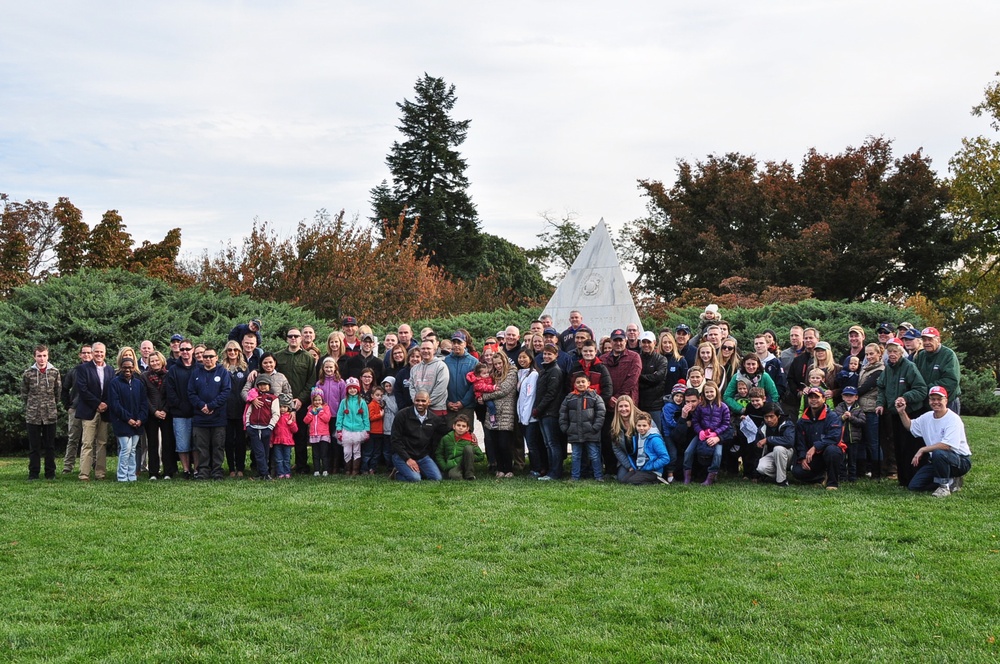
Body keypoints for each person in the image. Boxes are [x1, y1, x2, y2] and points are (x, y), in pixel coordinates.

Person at [899, 386, 971, 497]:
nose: (936, 402)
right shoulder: (927, 417)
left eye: (939, 399)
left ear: (946, 400)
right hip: (937, 461)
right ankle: (952, 481)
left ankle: (944, 487)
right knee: (914, 486)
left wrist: (923, 449)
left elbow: (947, 445)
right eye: (933, 399)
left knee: (938, 452)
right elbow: (910, 426)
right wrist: (902, 412)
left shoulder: (953, 419)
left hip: (960, 460)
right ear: (929, 401)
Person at [876, 337, 927, 486]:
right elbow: (881, 387)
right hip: (894, 414)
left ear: (901, 352)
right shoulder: (888, 368)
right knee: (897, 445)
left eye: (895, 351)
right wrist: (880, 404)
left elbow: (921, 389)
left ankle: (913, 477)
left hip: (911, 413)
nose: (892, 354)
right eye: (889, 351)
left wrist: (905, 398)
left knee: (909, 446)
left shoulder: (909, 367)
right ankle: (902, 479)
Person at [274, 327, 317, 474]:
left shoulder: (308, 358)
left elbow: (312, 381)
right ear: (287, 338)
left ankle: (301, 466)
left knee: (300, 435)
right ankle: (279, 466)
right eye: (290, 336)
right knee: (279, 435)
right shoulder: (278, 357)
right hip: (281, 405)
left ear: (300, 338)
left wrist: (300, 399)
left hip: (301, 403)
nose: (293, 338)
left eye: (296, 336)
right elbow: (273, 377)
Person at [189, 346, 231, 480]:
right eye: (205, 357)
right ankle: (203, 471)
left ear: (216, 358)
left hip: (218, 416)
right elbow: (191, 393)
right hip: (200, 417)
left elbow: (226, 391)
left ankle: (217, 471)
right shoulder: (196, 373)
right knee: (201, 446)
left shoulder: (223, 372)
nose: (208, 359)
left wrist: (212, 405)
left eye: (211, 356)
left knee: (218, 445)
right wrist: (202, 405)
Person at [791, 387, 845, 489]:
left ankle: (832, 483)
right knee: (797, 472)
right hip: (813, 456)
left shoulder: (832, 416)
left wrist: (815, 447)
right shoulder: (802, 420)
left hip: (829, 453)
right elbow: (799, 442)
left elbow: (834, 437)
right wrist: (802, 458)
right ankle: (820, 478)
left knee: (832, 450)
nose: (813, 400)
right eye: (811, 397)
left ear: (824, 399)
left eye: (817, 397)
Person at [390, 390, 450, 482]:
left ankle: (412, 471)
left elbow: (446, 430)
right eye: (417, 400)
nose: (420, 403)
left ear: (429, 402)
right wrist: (408, 459)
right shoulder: (402, 415)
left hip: (422, 456)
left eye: (423, 401)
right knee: (415, 479)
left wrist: (469, 433)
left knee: (437, 478)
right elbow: (395, 440)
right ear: (414, 400)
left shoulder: (433, 419)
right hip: (403, 456)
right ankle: (397, 474)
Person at [76, 342, 115, 481]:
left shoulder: (110, 370)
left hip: (105, 411)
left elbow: (112, 390)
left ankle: (100, 473)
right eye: (96, 352)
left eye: (101, 352)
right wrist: (97, 403)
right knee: (87, 443)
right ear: (92, 353)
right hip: (89, 411)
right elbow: (83, 390)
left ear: (105, 353)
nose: (99, 354)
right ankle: (84, 474)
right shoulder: (83, 369)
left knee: (102, 443)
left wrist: (106, 404)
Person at [22, 344, 61, 480]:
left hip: (50, 414)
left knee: (50, 446)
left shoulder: (55, 372)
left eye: (44, 355)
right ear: (35, 357)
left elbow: (58, 393)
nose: (42, 358)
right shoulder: (28, 373)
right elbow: (24, 393)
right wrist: (33, 405)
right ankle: (33, 473)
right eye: (39, 356)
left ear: (48, 356)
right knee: (34, 447)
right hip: (33, 415)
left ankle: (50, 473)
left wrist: (50, 405)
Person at [560, 371, 607, 482]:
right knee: (576, 456)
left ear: (588, 383)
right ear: (574, 384)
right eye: (578, 382)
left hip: (591, 432)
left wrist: (595, 427)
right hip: (574, 432)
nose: (580, 384)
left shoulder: (595, 397)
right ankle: (574, 476)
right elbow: (563, 414)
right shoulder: (569, 398)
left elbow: (601, 412)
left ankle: (598, 476)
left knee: (594, 455)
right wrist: (565, 428)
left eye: (583, 382)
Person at [682, 380, 730, 486]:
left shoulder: (723, 407)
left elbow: (726, 424)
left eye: (711, 392)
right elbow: (695, 421)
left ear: (716, 392)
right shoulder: (701, 407)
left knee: (718, 454)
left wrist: (716, 433)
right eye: (707, 392)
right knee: (688, 451)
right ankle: (687, 476)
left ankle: (711, 477)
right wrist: (700, 431)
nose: (709, 394)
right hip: (702, 434)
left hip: (715, 436)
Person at [108, 357, 147, 482]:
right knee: (126, 448)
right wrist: (128, 418)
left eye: (130, 367)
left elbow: (143, 403)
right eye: (125, 367)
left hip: (137, 423)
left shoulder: (138, 384)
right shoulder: (114, 383)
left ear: (134, 367)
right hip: (122, 422)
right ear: (120, 367)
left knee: (133, 449)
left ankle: (132, 475)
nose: (127, 370)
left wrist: (140, 419)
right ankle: (122, 476)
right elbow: (115, 404)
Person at [481, 351, 518, 478]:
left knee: (504, 443)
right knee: (495, 442)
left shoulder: (512, 372)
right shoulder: (493, 375)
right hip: (492, 413)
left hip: (506, 412)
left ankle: (508, 469)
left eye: (499, 363)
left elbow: (503, 390)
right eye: (495, 364)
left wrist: (484, 396)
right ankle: (500, 468)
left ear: (505, 361)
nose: (497, 366)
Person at [165, 339, 197, 479]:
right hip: (179, 412)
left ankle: (196, 469)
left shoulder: (199, 368)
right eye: (182, 349)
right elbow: (170, 391)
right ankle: (185, 470)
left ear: (193, 350)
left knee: (196, 444)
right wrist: (181, 405)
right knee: (182, 443)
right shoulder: (173, 369)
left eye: (187, 349)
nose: (185, 352)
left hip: (197, 411)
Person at [141, 351, 174, 480]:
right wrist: (154, 411)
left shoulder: (169, 375)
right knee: (152, 443)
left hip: (167, 413)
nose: (155, 363)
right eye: (152, 361)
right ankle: (153, 472)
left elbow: (171, 394)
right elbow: (144, 396)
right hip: (151, 414)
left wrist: (165, 410)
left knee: (167, 443)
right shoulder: (144, 376)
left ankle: (168, 472)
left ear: (162, 361)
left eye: (157, 360)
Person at [534, 344, 565, 481]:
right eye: (545, 354)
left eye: (549, 354)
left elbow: (551, 394)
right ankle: (551, 471)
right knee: (548, 444)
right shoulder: (545, 370)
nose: (546, 356)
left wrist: (538, 408)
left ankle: (555, 472)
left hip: (550, 413)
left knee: (553, 443)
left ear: (556, 355)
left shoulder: (555, 371)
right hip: (543, 412)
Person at [913, 327, 962, 413]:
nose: (927, 343)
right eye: (924, 340)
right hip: (926, 402)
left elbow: (951, 381)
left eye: (930, 339)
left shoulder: (948, 355)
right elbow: (914, 377)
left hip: (947, 402)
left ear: (938, 340)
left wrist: (926, 389)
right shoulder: (920, 356)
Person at [616, 410, 671, 485]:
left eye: (644, 426)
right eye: (639, 426)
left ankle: (657, 481)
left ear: (650, 426)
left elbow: (665, 458)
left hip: (652, 471)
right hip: (640, 468)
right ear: (635, 425)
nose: (641, 428)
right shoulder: (638, 436)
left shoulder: (655, 439)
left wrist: (649, 467)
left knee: (632, 481)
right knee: (624, 480)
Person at [61, 344, 91, 474]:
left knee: (91, 440)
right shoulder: (74, 371)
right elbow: (64, 389)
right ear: (80, 355)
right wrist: (67, 405)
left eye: (89, 353)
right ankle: (68, 467)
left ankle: (92, 464)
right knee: (73, 439)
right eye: (84, 353)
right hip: (75, 408)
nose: (86, 355)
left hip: (91, 409)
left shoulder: (97, 370)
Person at [221, 340, 250, 477]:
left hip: (241, 409)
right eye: (229, 350)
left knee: (240, 441)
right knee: (228, 440)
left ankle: (240, 468)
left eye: (235, 350)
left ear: (239, 352)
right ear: (226, 352)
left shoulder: (244, 368)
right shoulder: (221, 368)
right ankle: (231, 468)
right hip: (226, 409)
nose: (232, 352)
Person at [856, 343, 884, 479]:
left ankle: (877, 472)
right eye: (867, 354)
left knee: (873, 442)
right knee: (861, 441)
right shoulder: (865, 368)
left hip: (872, 409)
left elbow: (864, 388)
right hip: (862, 408)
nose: (869, 356)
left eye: (872, 353)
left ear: (879, 354)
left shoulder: (880, 370)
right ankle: (862, 471)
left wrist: (849, 393)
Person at [244, 375, 279, 480]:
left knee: (265, 452)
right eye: (260, 385)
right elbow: (248, 412)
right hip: (253, 427)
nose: (263, 387)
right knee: (259, 452)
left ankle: (262, 473)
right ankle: (265, 474)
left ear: (269, 385)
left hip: (266, 428)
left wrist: (270, 427)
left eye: (265, 384)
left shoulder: (273, 398)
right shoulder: (254, 397)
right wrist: (248, 424)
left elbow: (276, 413)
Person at [516, 349, 544, 477]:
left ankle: (537, 469)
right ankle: (534, 467)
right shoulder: (521, 373)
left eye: (524, 358)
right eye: (520, 357)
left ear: (531, 359)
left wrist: (526, 417)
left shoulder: (533, 375)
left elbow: (530, 396)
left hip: (530, 417)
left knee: (532, 444)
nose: (522, 360)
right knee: (530, 443)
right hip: (523, 416)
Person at [753, 403, 796, 486]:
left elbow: (789, 441)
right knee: (761, 468)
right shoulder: (762, 428)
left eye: (771, 416)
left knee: (778, 449)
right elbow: (757, 450)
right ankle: (780, 475)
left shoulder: (787, 424)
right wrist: (756, 475)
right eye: (766, 417)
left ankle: (782, 481)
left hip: (789, 455)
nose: (769, 420)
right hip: (773, 455)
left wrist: (769, 439)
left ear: (778, 416)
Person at [337, 377, 370, 477]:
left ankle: (355, 470)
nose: (352, 390)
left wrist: (367, 430)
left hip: (358, 430)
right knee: (346, 451)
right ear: (347, 390)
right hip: (346, 430)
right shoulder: (344, 402)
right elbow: (340, 416)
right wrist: (339, 429)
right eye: (350, 388)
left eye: (354, 388)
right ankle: (347, 469)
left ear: (358, 389)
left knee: (357, 450)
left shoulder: (362, 402)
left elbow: (365, 416)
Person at [443, 332, 478, 426]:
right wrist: (447, 402)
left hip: (466, 407)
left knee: (465, 436)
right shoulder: (445, 361)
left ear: (465, 344)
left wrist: (463, 402)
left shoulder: (473, 362)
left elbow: (475, 385)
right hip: (449, 406)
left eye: (459, 343)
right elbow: (441, 384)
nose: (456, 345)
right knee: (449, 435)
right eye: (454, 343)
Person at [436, 414, 484, 480]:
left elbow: (480, 456)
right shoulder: (446, 438)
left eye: (463, 426)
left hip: (467, 464)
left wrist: (467, 458)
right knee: (455, 477)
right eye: (458, 425)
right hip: (453, 464)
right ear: (454, 426)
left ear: (467, 429)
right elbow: (439, 454)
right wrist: (444, 466)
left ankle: (469, 475)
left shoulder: (470, 440)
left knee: (468, 448)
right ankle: (458, 474)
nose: (461, 428)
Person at [636, 331, 668, 431]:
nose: (646, 345)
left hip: (655, 405)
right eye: (644, 342)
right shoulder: (636, 358)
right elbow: (633, 378)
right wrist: (649, 378)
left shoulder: (661, 359)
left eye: (648, 342)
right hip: (639, 404)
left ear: (654, 343)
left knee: (656, 433)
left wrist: (640, 377)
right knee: (640, 434)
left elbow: (658, 378)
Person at [409, 339, 450, 416]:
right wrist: (418, 402)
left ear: (434, 350)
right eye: (423, 348)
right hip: (419, 410)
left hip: (436, 409)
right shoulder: (414, 368)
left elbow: (440, 389)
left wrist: (426, 403)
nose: (425, 351)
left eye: (428, 348)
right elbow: (411, 387)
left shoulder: (441, 366)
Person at [835, 386, 866, 482]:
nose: (848, 398)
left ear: (856, 397)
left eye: (851, 396)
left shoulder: (858, 409)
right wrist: (843, 417)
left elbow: (862, 422)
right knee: (842, 459)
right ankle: (842, 476)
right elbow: (835, 419)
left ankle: (852, 477)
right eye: (846, 395)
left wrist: (851, 417)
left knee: (852, 459)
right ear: (842, 397)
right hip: (842, 438)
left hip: (853, 439)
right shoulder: (839, 407)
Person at [304, 388, 333, 476]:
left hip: (324, 434)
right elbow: (305, 421)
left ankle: (325, 469)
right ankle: (316, 470)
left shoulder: (326, 408)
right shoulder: (310, 409)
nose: (317, 402)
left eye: (319, 400)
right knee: (315, 454)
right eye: (315, 400)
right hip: (314, 434)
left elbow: (327, 419)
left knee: (324, 453)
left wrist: (320, 412)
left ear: (322, 399)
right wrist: (310, 414)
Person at [271, 395, 298, 479]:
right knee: (278, 459)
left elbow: (295, 430)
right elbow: (272, 430)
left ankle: (287, 472)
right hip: (277, 441)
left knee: (287, 459)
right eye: (280, 407)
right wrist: (271, 441)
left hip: (287, 441)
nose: (282, 409)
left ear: (288, 408)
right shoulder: (276, 417)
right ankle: (280, 473)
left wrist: (291, 424)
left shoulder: (290, 416)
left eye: (285, 407)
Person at [658, 331, 689, 395]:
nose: (667, 345)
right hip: (657, 397)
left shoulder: (680, 360)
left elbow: (684, 380)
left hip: (674, 397)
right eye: (664, 342)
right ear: (661, 344)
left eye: (670, 342)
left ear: (673, 344)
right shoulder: (656, 359)